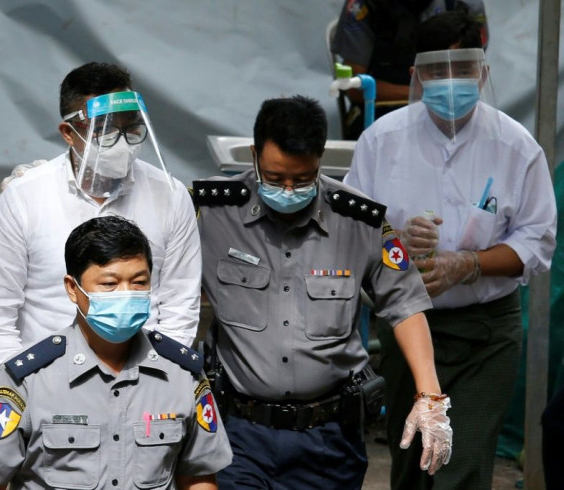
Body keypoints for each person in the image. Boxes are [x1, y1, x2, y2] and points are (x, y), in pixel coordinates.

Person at [343, 11, 557, 489]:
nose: (450, 81)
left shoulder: (516, 146)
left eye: (462, 68)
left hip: (486, 331)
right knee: (413, 467)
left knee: (460, 466)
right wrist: (395, 242)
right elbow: (353, 231)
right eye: (437, 70)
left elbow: (537, 240)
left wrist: (470, 264)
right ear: (417, 74)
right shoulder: (382, 141)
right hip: (406, 326)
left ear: (482, 70)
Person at [196, 95, 451, 489]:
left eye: (302, 180)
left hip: (328, 438)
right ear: (253, 155)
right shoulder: (211, 214)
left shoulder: (359, 221)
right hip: (238, 434)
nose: (287, 189)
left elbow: (405, 305)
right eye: (275, 177)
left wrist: (429, 395)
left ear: (319, 162)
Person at [0, 216, 232, 489]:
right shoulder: (27, 380)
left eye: (139, 282)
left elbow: (198, 477)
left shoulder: (182, 375)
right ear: (72, 288)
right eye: (109, 284)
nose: (126, 294)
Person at [0, 62, 201, 376]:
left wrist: (161, 382)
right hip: (45, 380)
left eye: (131, 127)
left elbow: (180, 307)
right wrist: (17, 389)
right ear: (68, 132)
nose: (122, 142)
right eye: (105, 130)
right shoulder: (24, 197)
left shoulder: (171, 197)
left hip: (144, 378)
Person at [331, 0, 487, 139]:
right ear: (414, 74)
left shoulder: (466, 5)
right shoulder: (363, 5)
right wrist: (426, 92)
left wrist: (448, 93)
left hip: (456, 113)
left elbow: (473, 68)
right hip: (380, 112)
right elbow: (354, 88)